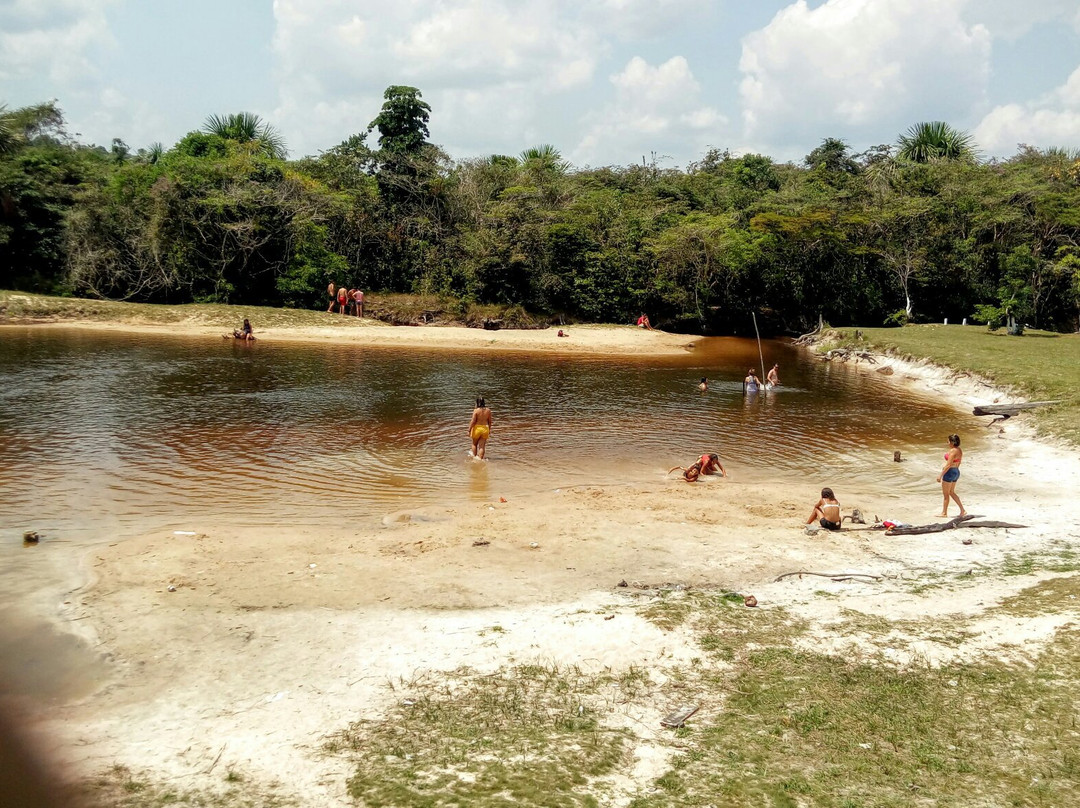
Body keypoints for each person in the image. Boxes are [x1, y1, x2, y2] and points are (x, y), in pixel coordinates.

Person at [936, 434, 966, 517]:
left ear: (952, 442)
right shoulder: (959, 450)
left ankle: (944, 513)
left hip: (949, 472)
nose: (947, 443)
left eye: (948, 441)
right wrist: (955, 470)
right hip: (956, 471)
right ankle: (962, 511)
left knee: (946, 494)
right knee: (951, 492)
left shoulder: (953, 451)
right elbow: (959, 462)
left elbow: (948, 465)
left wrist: (940, 475)